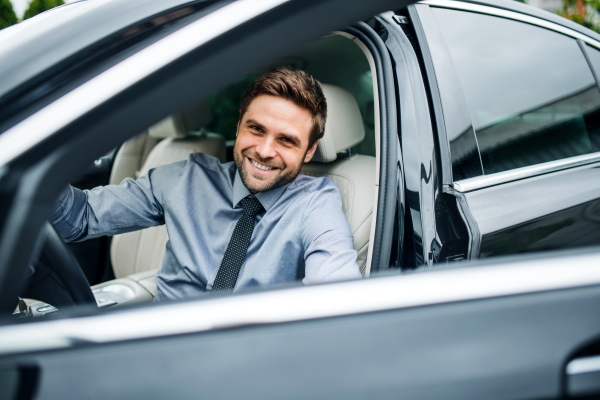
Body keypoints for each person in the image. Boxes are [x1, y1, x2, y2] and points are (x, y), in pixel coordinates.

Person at [51, 67, 361, 301]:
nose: (265, 151)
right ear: (238, 125)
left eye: (287, 140)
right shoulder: (184, 178)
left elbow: (335, 297)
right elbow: (79, 217)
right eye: (256, 129)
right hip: (156, 348)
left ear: (309, 150)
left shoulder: (316, 204)